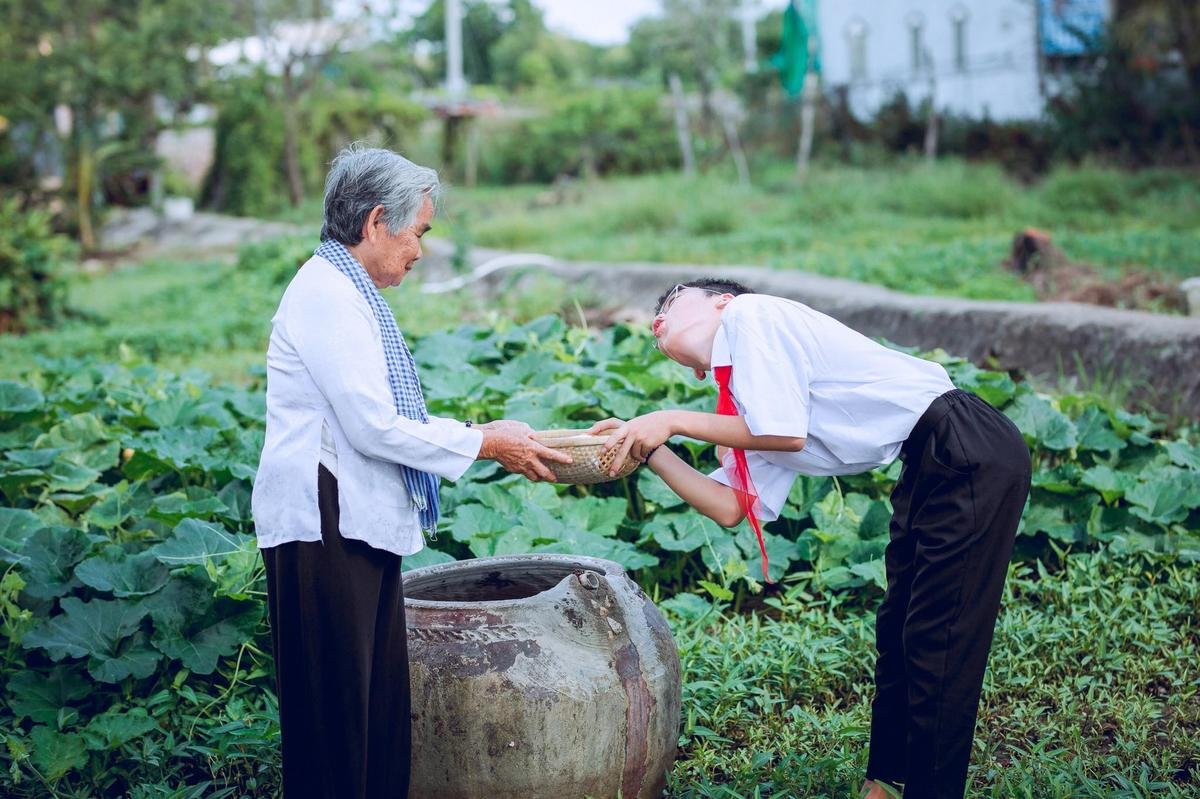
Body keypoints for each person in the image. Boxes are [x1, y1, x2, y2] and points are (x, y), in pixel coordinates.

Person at [590, 279, 1032, 799]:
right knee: (900, 628)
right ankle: (886, 782)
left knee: (941, 636)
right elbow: (731, 505)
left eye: (667, 305)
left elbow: (785, 433)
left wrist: (670, 420)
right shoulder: (748, 399)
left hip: (968, 445)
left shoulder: (753, 316)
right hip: (931, 462)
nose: (656, 324)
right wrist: (651, 450)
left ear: (720, 301)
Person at [250, 145, 570, 799]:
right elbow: (374, 423)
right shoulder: (326, 296)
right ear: (376, 224)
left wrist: (483, 440)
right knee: (339, 717)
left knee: (376, 708)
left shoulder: (346, 290)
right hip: (322, 520)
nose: (420, 251)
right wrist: (485, 441)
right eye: (417, 232)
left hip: (351, 518)